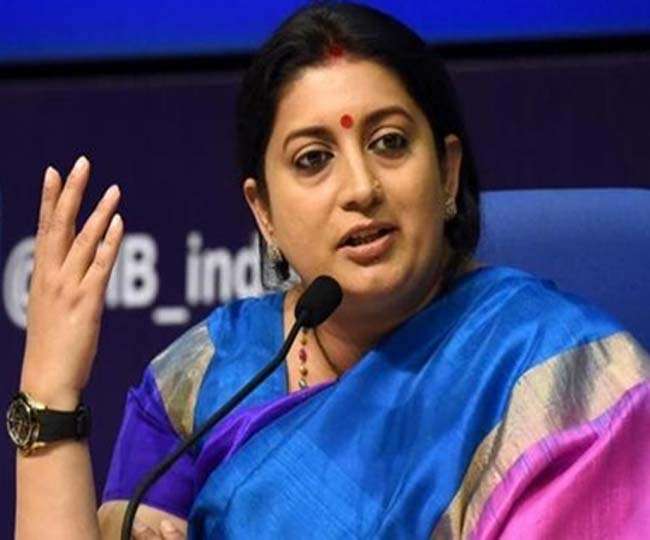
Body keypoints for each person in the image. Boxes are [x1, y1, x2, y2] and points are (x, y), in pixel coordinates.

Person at [11, 3, 650, 539]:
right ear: (263, 212)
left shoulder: (558, 376)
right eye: (314, 158)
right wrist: (50, 387)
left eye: (390, 142)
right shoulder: (203, 384)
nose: (361, 187)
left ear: (447, 173)